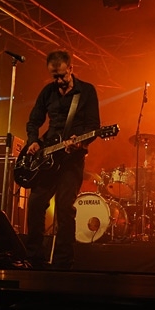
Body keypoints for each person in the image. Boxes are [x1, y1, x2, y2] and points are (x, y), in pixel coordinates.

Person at [23, 50, 100, 269]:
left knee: (65, 208)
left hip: (71, 160)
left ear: (71, 69)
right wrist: (33, 141)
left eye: (62, 76)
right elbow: (33, 121)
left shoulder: (86, 91)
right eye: (54, 76)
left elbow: (94, 126)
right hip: (48, 156)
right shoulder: (48, 92)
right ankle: (34, 258)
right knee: (36, 203)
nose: (58, 81)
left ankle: (63, 261)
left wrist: (80, 142)